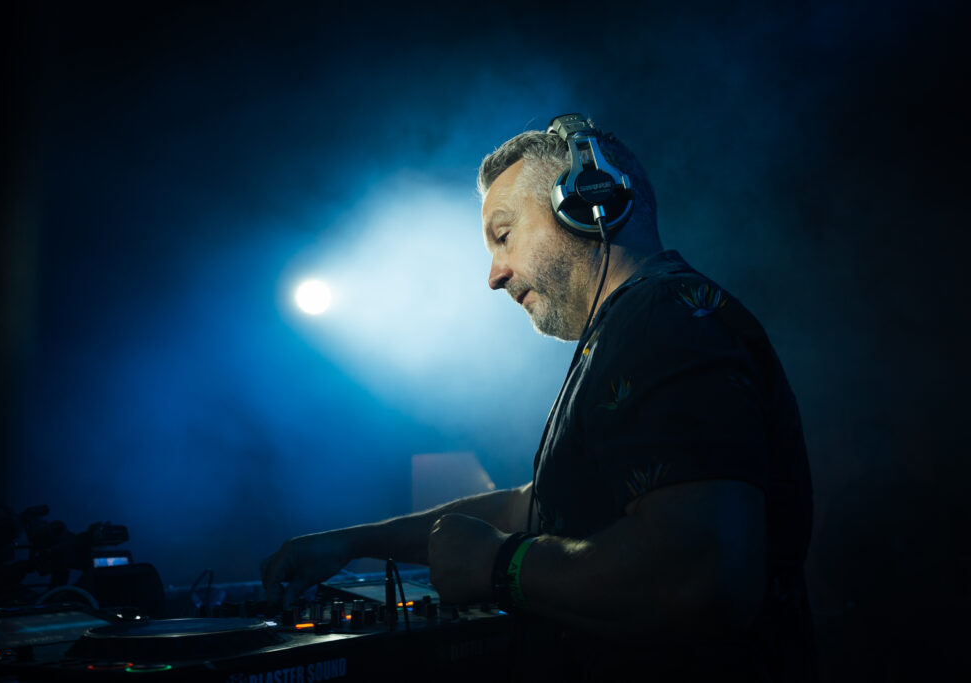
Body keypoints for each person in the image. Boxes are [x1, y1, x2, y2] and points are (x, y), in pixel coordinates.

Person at [261, 115, 815, 682]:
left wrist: (500, 563)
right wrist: (354, 543)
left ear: (589, 203)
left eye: (503, 235)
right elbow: (534, 507)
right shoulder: (631, 329)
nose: (494, 276)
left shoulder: (665, 319)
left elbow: (703, 576)